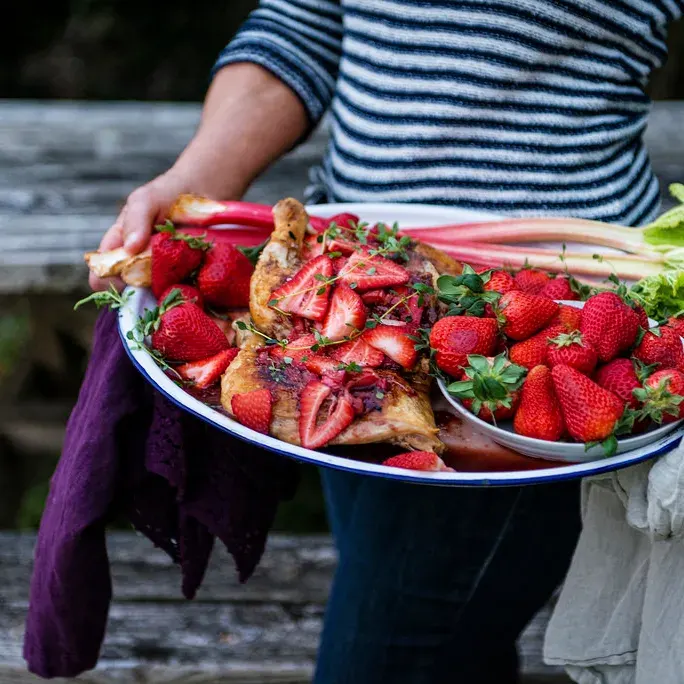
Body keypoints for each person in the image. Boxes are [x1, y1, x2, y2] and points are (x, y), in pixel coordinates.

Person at [90, 2, 682, 682]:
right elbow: (304, 23)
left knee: (385, 655)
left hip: (551, 324)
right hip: (333, 288)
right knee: (452, 648)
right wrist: (197, 187)